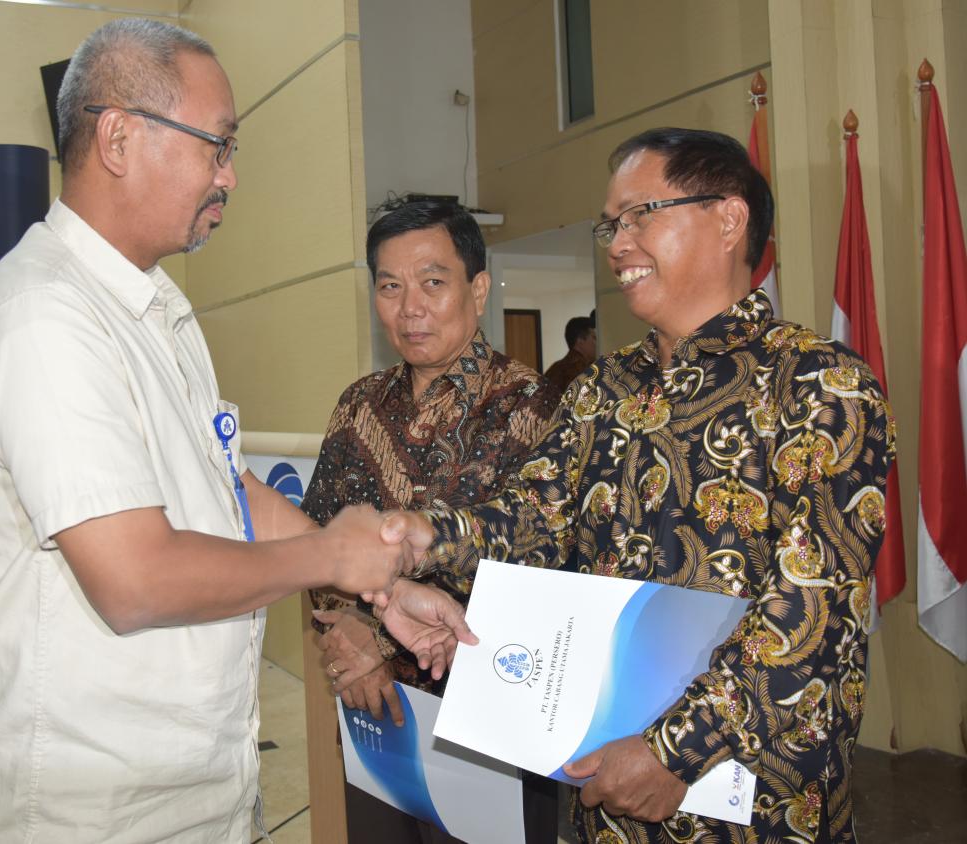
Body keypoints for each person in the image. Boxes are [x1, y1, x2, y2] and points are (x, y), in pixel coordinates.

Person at [0, 19, 469, 844]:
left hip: (194, 786)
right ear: (119, 139)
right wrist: (330, 555)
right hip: (89, 808)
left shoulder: (158, 310)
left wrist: (380, 590)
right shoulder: (44, 318)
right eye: (217, 145)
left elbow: (228, 490)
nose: (229, 175)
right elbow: (134, 579)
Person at [375, 128, 895, 843]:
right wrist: (421, 537)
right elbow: (535, 519)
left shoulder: (819, 385)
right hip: (607, 794)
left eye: (639, 215)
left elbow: (815, 607)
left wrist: (673, 751)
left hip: (757, 809)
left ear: (729, 218)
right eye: (610, 225)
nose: (617, 245)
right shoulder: (603, 390)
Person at [304, 200, 561, 843]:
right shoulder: (359, 405)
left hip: (488, 723)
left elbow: (542, 564)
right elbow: (315, 537)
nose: (409, 308)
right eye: (390, 286)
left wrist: (379, 639)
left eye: (433, 282)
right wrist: (350, 635)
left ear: (479, 288)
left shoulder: (532, 406)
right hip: (372, 709)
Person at [543, 315, 596, 391]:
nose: (598, 343)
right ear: (580, 340)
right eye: (594, 338)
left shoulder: (555, 369)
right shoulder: (578, 370)